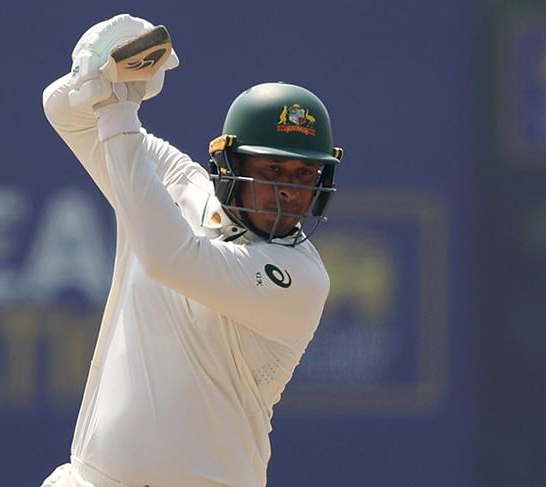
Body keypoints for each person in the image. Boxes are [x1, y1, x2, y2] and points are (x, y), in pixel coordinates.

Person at [40, 13, 343, 487]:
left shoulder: (299, 278)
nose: (289, 191)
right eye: (273, 171)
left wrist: (119, 109)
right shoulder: (180, 183)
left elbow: (170, 258)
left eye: (305, 175)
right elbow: (65, 114)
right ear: (228, 164)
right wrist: (97, 74)